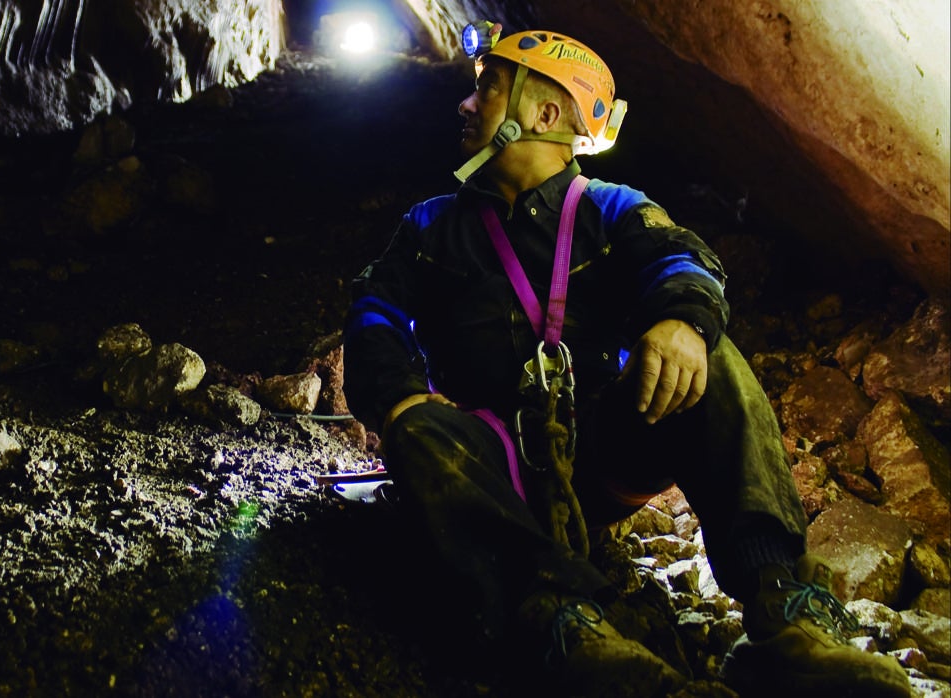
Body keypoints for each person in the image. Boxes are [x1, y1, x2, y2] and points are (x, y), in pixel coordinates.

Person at [341, 22, 911, 698]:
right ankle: (558, 625)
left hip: (598, 457)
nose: (464, 106)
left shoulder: (610, 211)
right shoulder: (432, 225)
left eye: (487, 91)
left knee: (716, 360)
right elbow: (373, 312)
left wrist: (681, 321)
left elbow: (683, 260)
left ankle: (784, 615)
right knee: (420, 429)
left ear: (544, 114)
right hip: (486, 473)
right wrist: (401, 396)